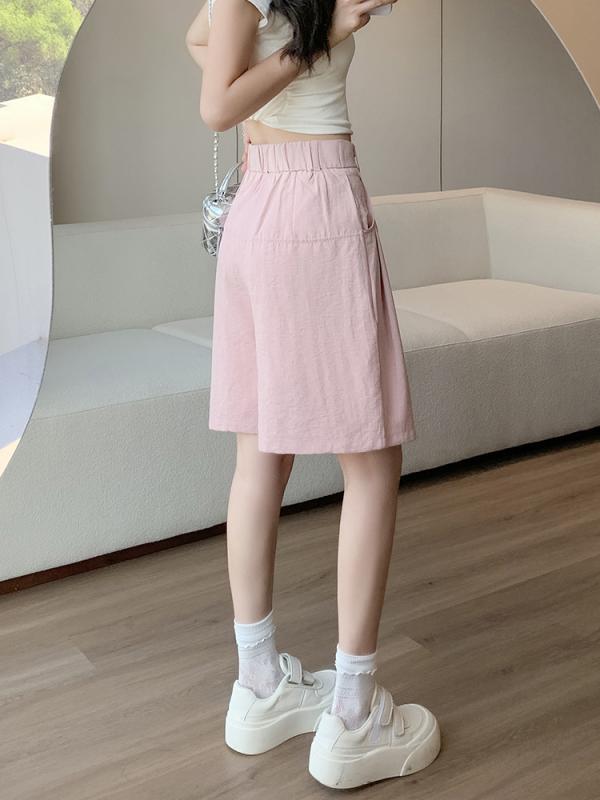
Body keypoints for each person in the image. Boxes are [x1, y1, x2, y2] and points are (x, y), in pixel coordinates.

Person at [185, 0, 441, 788]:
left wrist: (285, 64)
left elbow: (198, 39)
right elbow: (217, 106)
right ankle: (355, 714)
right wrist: (316, 41)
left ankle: (260, 682)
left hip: (258, 206)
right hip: (317, 203)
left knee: (260, 455)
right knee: (371, 462)